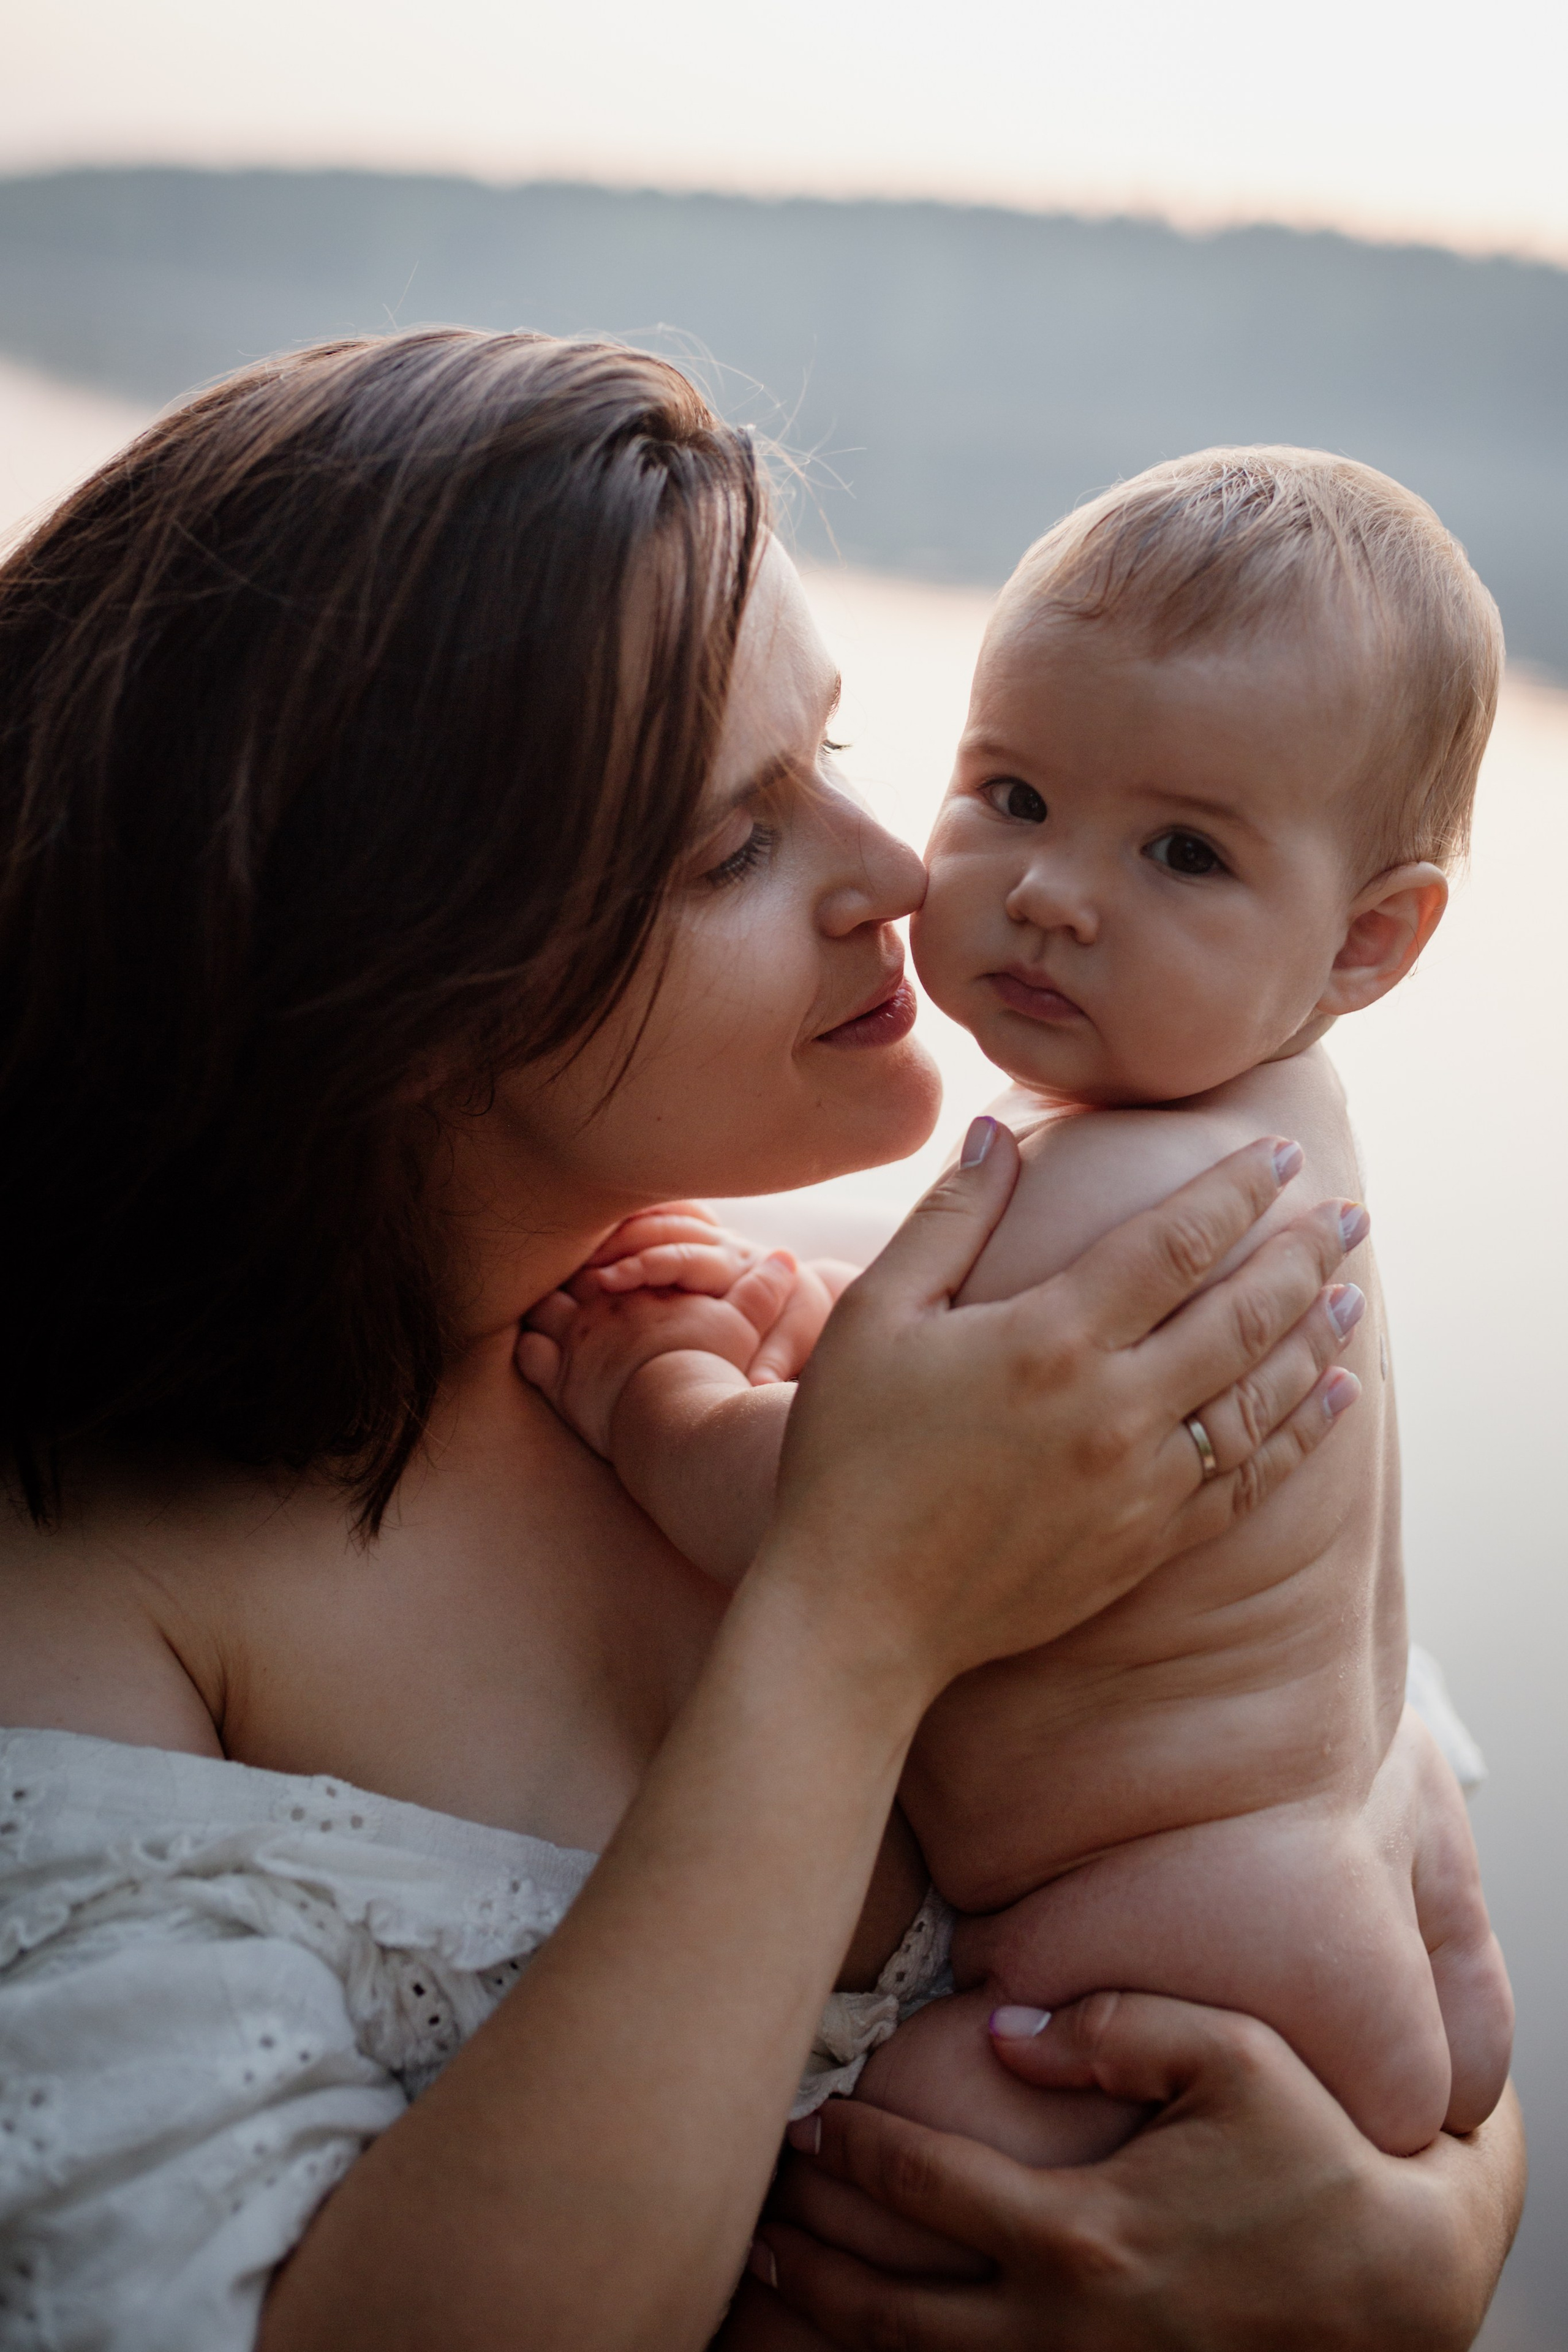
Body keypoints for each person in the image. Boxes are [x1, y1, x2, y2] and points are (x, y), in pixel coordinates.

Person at [0, 332, 1522, 2352]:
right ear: (389, 978)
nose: (902, 873)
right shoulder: (98, 1600)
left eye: (843, 751)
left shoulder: (860, 1292)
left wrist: (1417, 2253)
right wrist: (852, 1619)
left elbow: (1361, 1785)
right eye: (736, 842)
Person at [521, 453, 1516, 2315]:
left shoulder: (1121, 1198)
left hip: (1147, 1951)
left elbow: (851, 1506)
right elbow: (964, 1363)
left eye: (1186, 853)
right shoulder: (1266, 1139)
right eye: (1013, 792)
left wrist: (658, 1394)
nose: (1050, 892)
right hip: (1344, 1897)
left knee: (848, 2206)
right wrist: (812, 1298)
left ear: (1367, 942)